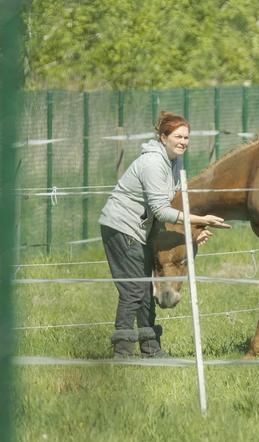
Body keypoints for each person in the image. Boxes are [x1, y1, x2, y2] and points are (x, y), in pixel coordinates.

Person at [99, 111, 230, 358]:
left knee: (146, 288)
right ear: (163, 137)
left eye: (186, 137)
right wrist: (201, 219)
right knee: (133, 290)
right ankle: (123, 352)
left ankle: (150, 348)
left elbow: (177, 204)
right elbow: (161, 209)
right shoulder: (152, 163)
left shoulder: (175, 161)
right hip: (121, 226)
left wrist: (194, 231)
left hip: (141, 228)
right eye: (177, 137)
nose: (183, 142)